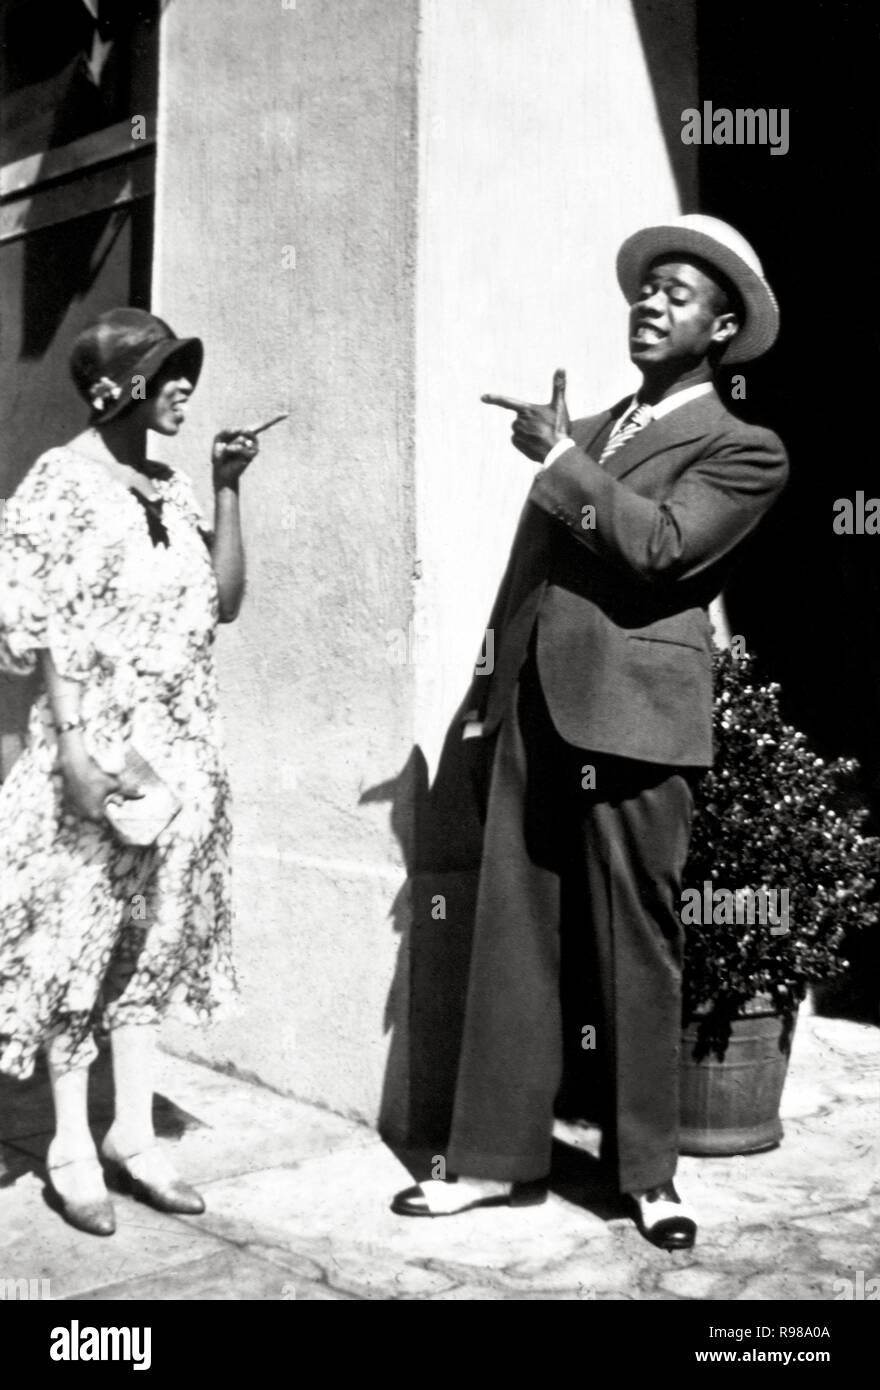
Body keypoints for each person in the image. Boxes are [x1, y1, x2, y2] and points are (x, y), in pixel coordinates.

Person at [392, 215, 789, 1249]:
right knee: (512, 931)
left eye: (676, 293)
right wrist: (486, 693)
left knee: (634, 941)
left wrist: (561, 459)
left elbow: (661, 549)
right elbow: (532, 570)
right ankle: (489, 1159)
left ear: (722, 325)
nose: (648, 304)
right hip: (534, 704)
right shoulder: (598, 425)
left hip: (635, 718)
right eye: (643, 289)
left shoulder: (745, 448)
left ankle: (647, 1173)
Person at [0, 307, 258, 1236]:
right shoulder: (58, 485)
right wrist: (68, 750)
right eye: (170, 372)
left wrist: (227, 491)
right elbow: (40, 630)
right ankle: (71, 1146)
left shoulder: (174, 483)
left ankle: (135, 1136)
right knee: (79, 948)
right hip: (98, 754)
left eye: (189, 368)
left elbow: (221, 604)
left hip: (183, 755)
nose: (186, 386)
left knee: (150, 946)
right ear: (118, 388)